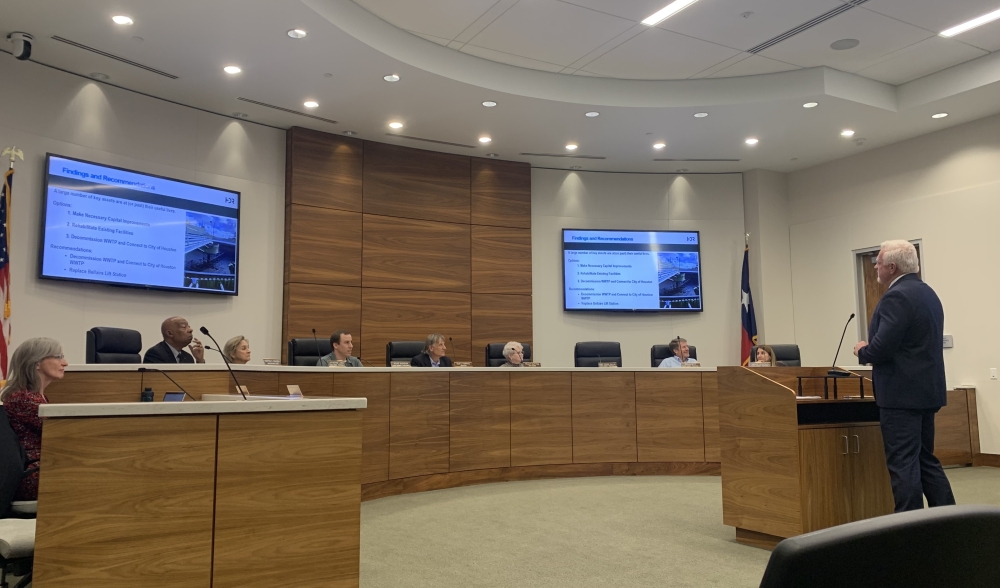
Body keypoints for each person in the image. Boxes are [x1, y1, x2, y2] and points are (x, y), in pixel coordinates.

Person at [853, 240, 955, 513]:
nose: (875, 266)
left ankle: (908, 532)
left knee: (903, 464)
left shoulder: (896, 296)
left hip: (901, 397)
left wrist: (863, 349)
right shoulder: (928, 293)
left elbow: (882, 348)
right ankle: (949, 522)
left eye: (878, 261)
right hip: (926, 393)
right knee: (925, 460)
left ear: (891, 266)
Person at [1, 337, 68, 501]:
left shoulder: (35, 397)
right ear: (37, 362)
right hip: (33, 474)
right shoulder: (24, 399)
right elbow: (64, 432)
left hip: (44, 467)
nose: (65, 362)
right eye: (58, 357)